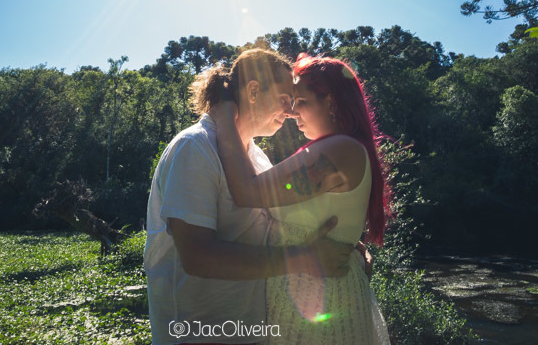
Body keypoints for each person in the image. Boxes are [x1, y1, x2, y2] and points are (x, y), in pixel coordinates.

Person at [144, 49, 356, 345]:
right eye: (285, 100)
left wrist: (348, 245)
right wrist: (304, 259)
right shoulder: (194, 148)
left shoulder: (257, 160)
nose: (291, 111)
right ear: (254, 91)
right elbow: (197, 257)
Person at [211, 54, 392, 344]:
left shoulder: (340, 150)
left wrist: (225, 120)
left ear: (331, 103)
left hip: (322, 306)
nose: (293, 113)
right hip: (309, 300)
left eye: (302, 102)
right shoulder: (337, 149)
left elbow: (247, 192)